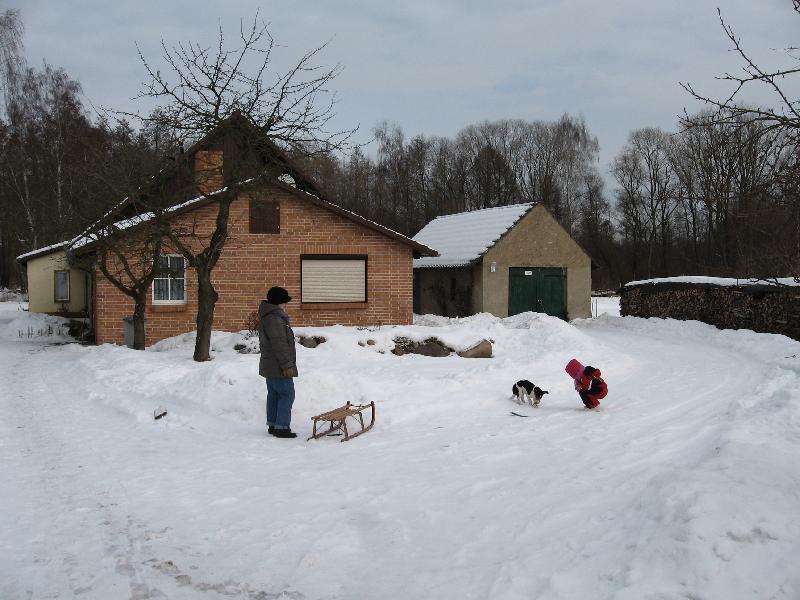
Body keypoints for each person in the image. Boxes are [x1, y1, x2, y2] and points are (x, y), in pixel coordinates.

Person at [258, 286, 298, 438]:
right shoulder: (275, 318)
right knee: (287, 394)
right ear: (278, 302)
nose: (286, 305)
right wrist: (287, 365)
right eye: (284, 302)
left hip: (271, 364)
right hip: (278, 365)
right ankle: (281, 427)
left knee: (274, 394)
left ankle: (274, 424)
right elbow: (279, 344)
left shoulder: (268, 316)